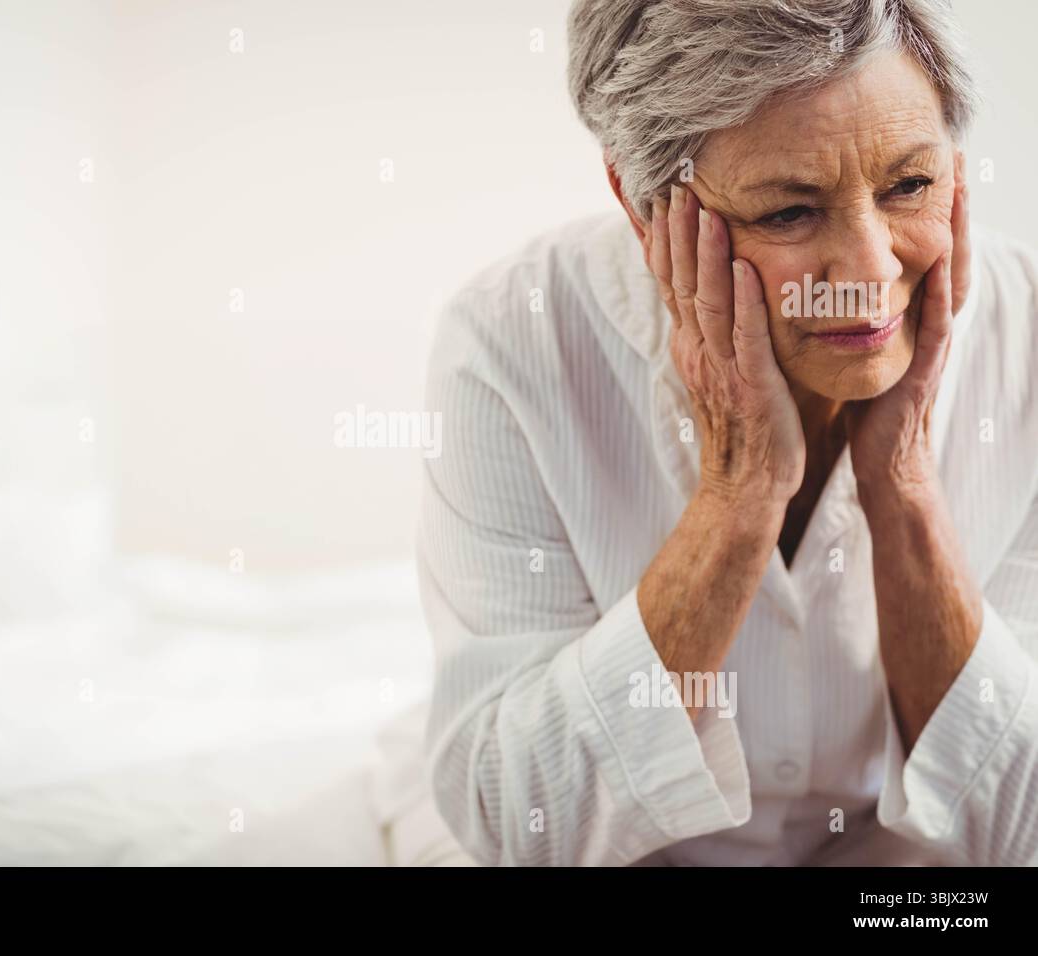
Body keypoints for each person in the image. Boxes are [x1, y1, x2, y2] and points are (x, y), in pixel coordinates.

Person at [415, 0, 1038, 865]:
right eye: (789, 213)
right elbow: (524, 818)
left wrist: (900, 480)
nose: (866, 273)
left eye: (910, 186)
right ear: (643, 209)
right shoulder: (510, 343)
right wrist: (739, 493)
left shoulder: (1028, 337)